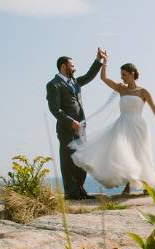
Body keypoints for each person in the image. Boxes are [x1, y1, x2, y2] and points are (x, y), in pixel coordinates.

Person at [69, 52, 155, 195]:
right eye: (121, 75)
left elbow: (154, 109)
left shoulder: (143, 91)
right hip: (122, 125)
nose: (122, 77)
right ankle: (128, 186)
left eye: (124, 74)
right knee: (125, 154)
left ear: (132, 73)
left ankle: (147, 185)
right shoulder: (121, 88)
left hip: (139, 126)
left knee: (141, 153)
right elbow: (103, 78)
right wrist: (105, 62)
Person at [46, 49, 105, 200]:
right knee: (68, 161)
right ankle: (71, 193)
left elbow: (88, 76)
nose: (74, 68)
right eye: (72, 65)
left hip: (81, 129)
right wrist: (70, 121)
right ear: (63, 67)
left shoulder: (75, 82)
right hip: (66, 129)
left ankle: (80, 190)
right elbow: (54, 109)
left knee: (82, 159)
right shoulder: (53, 85)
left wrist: (98, 61)